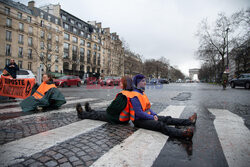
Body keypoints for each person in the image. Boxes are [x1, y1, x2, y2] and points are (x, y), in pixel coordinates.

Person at [130, 74, 197, 140]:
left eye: (144, 81)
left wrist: (154, 114)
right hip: (139, 121)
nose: (145, 83)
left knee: (167, 119)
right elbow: (139, 113)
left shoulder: (141, 93)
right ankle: (183, 134)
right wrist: (152, 117)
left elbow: (147, 108)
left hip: (147, 116)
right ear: (137, 83)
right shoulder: (134, 95)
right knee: (160, 125)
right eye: (142, 81)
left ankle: (189, 121)